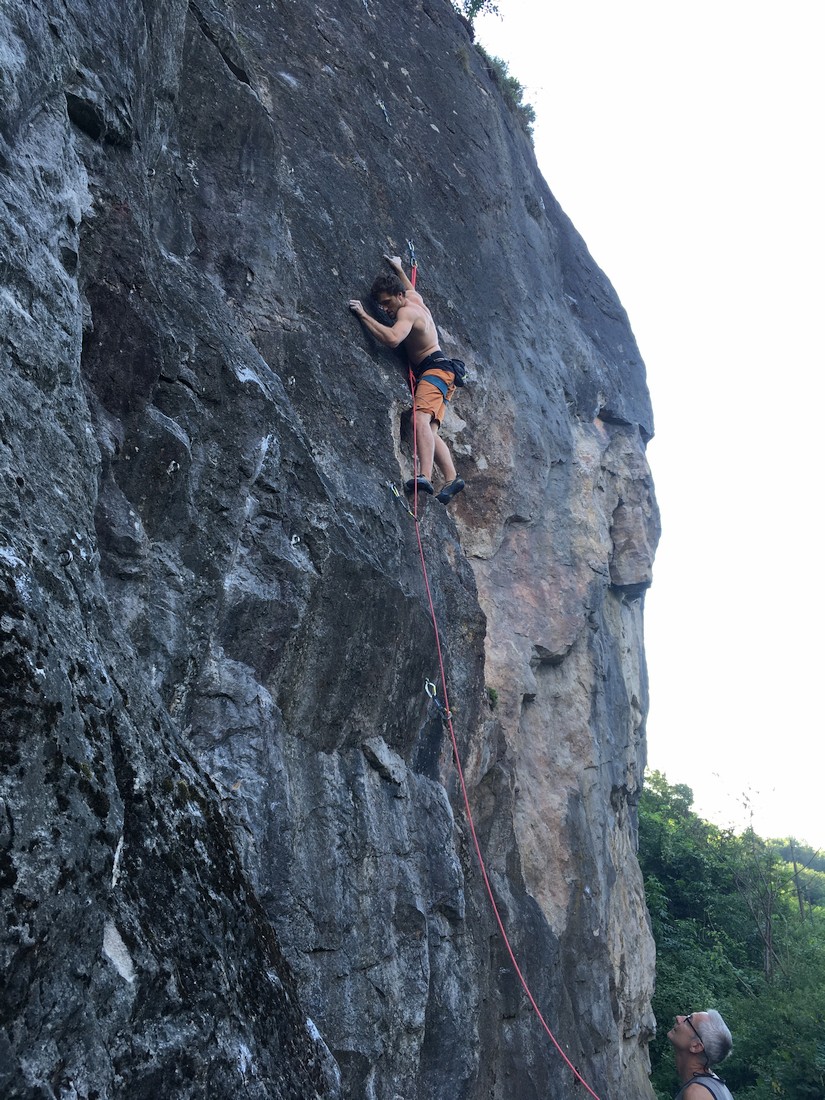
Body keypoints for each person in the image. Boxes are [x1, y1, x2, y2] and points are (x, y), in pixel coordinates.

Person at [349, 255, 465, 504]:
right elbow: (410, 287)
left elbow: (392, 339)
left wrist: (363, 316)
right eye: (381, 306)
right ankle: (451, 477)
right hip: (443, 373)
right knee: (429, 430)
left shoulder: (408, 312)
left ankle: (424, 475)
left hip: (434, 371)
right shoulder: (412, 298)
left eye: (388, 303)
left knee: (418, 419)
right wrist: (400, 269)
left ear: (398, 297)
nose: (386, 310)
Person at [668, 1011, 735, 1099]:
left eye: (688, 1020)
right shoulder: (714, 1084)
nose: (678, 1018)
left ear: (696, 1046)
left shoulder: (697, 1093)